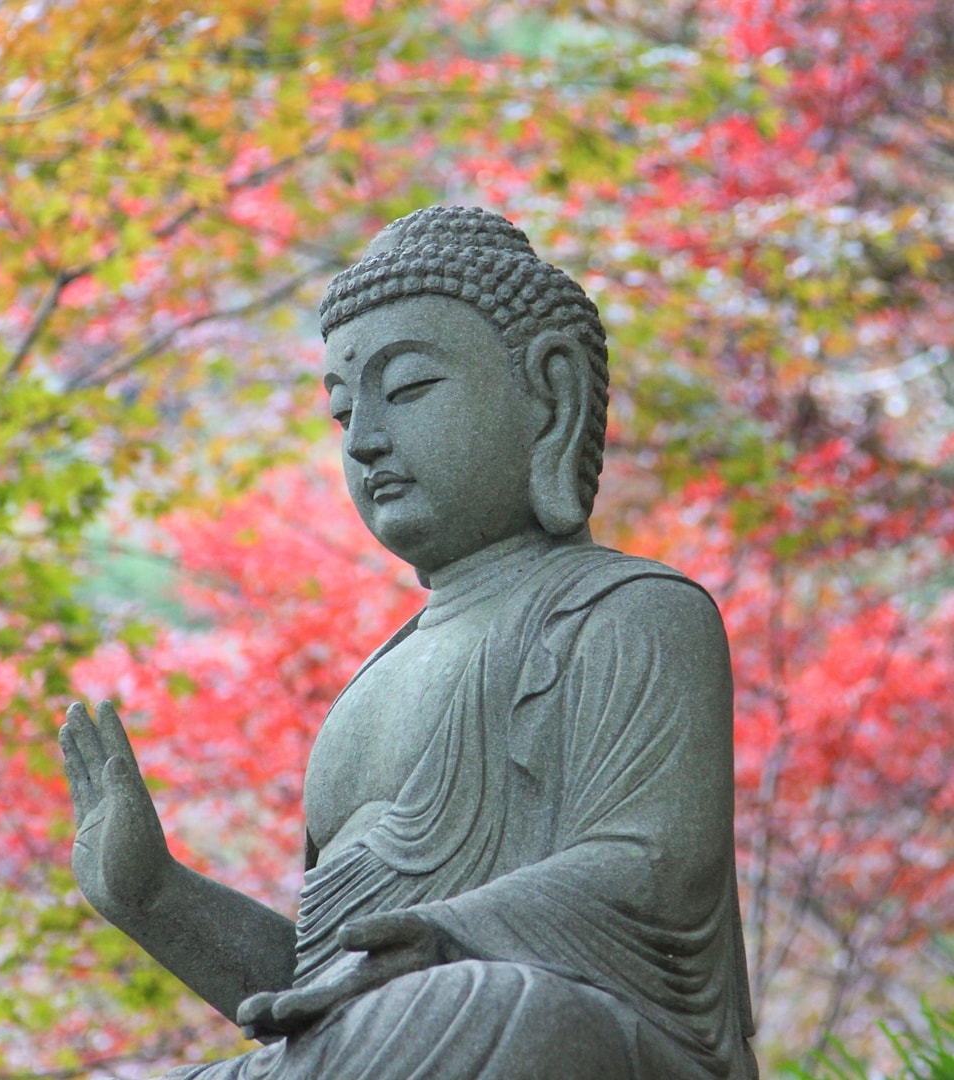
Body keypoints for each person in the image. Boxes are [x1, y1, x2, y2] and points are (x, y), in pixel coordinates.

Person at [60, 206, 759, 1078]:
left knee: (485, 1006)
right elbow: (320, 997)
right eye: (343, 411)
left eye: (411, 388)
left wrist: (449, 935)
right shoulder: (372, 683)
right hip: (413, 1042)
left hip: (561, 1034)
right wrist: (157, 896)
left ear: (551, 394)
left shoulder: (631, 612)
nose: (366, 441)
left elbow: (657, 867)